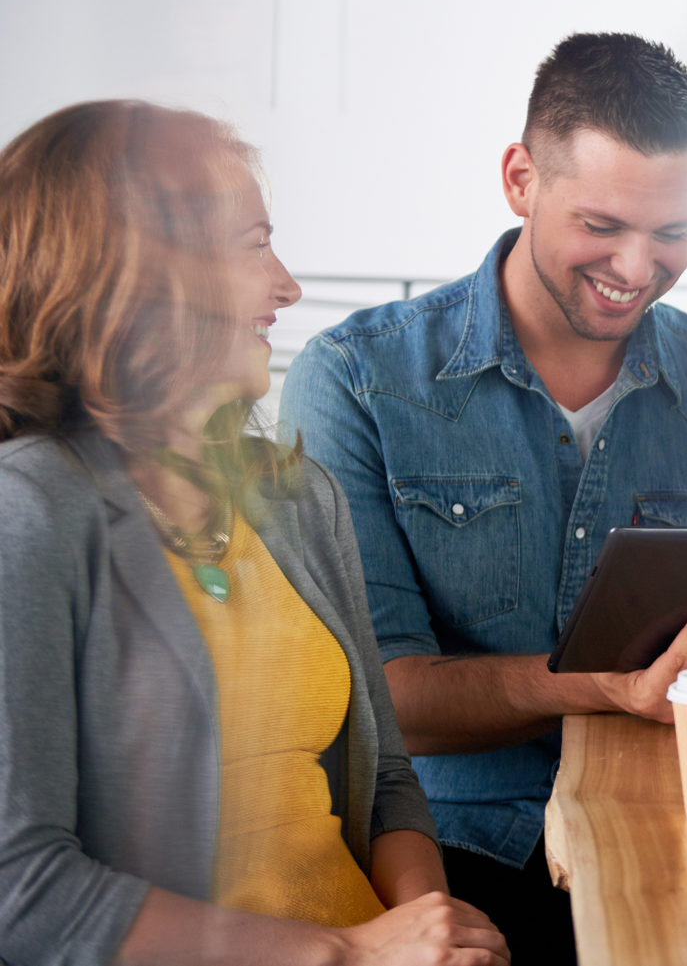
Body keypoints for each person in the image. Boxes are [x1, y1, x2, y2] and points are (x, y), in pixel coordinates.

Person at [279, 33, 687, 962]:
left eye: (671, 232)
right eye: (602, 226)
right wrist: (600, 687)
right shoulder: (356, 381)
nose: (637, 268)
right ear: (521, 178)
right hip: (453, 852)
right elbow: (377, 699)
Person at [0, 101, 505, 964]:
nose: (287, 285)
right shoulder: (32, 512)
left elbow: (385, 780)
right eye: (250, 244)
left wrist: (433, 928)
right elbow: (26, 890)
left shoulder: (298, 498)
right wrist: (349, 952)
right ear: (133, 273)